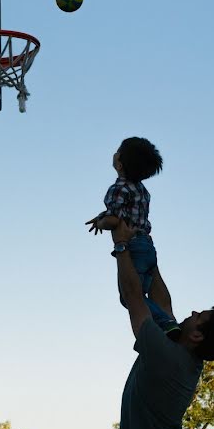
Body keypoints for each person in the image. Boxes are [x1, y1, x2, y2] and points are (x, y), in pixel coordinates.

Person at [111, 219, 214, 429]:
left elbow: (134, 296)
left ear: (197, 334)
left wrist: (121, 246)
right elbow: (163, 304)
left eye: (198, 315)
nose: (191, 313)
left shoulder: (167, 357)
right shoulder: (183, 350)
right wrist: (147, 251)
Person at [86, 137, 179, 335]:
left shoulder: (118, 188)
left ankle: (166, 322)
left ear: (119, 163)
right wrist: (102, 217)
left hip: (133, 248)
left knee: (130, 296)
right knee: (144, 293)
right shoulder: (142, 191)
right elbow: (127, 213)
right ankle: (165, 323)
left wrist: (103, 223)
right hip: (147, 246)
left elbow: (115, 220)